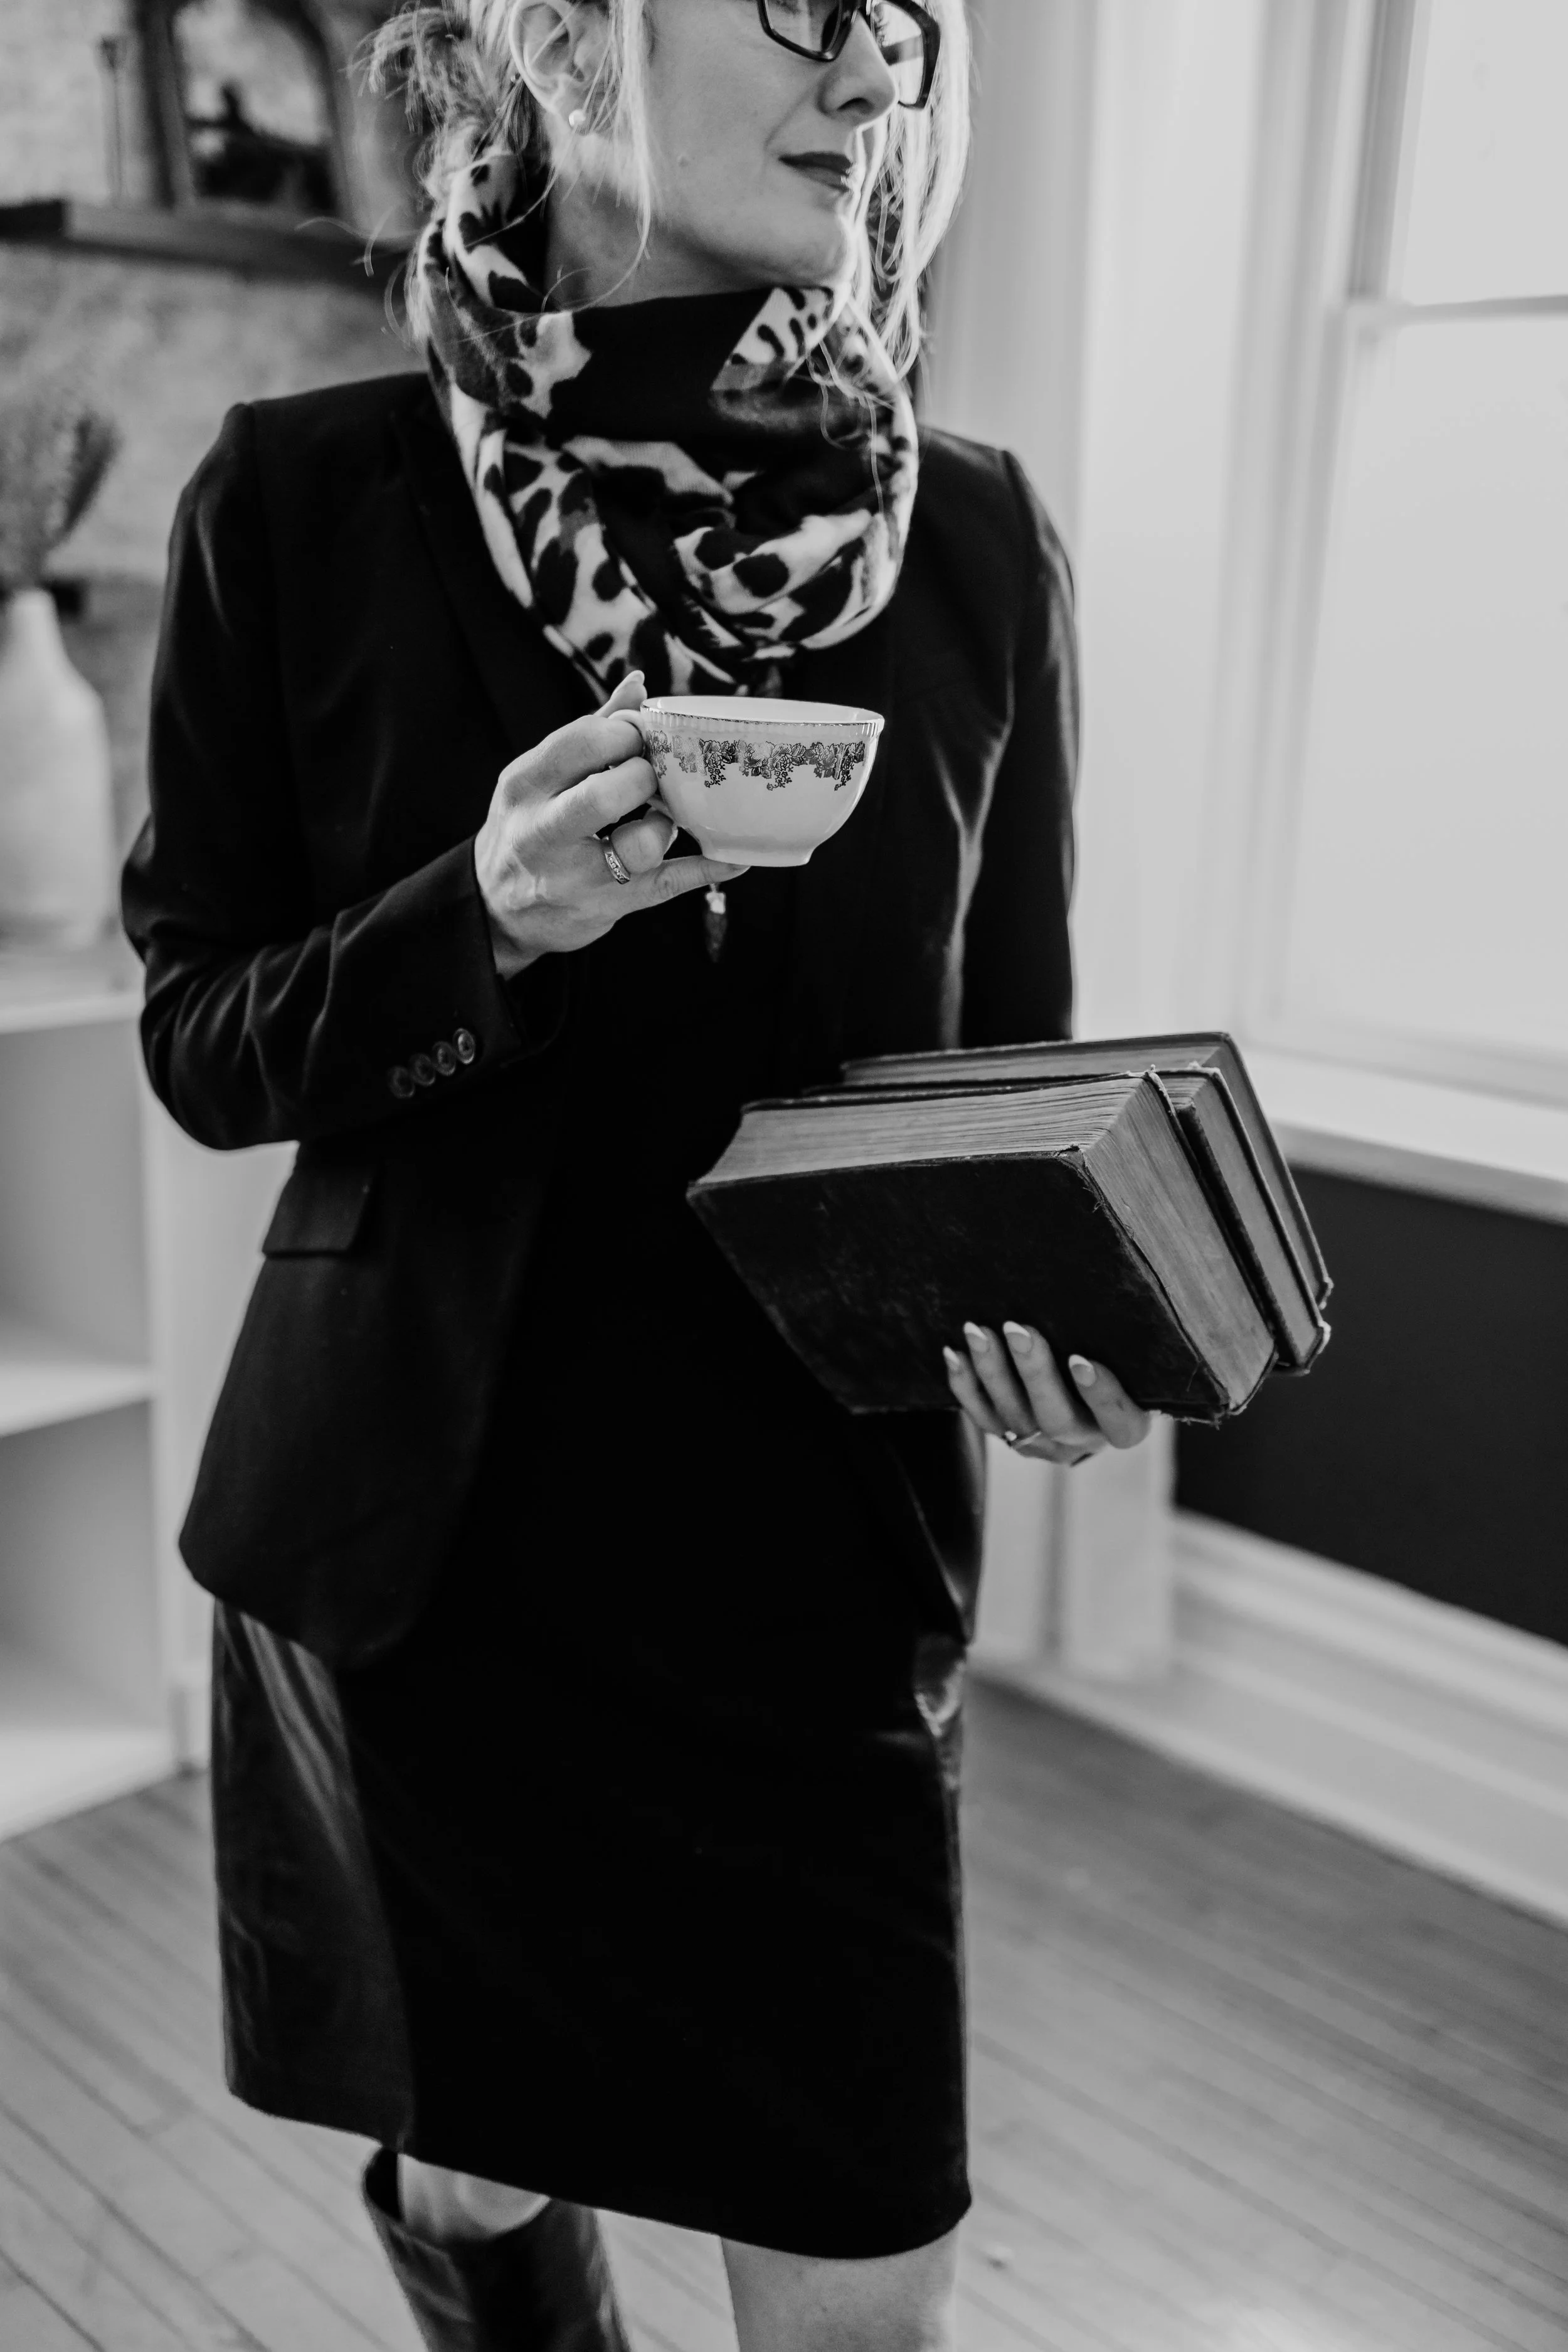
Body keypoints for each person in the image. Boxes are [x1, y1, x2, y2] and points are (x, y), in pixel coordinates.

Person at [124, 3, 1153, 2346]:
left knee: (861, 2275)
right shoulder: (293, 498)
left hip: (808, 1585)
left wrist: (1067, 1320)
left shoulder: (977, 539)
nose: (873, 79)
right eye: (798, 13)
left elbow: (1003, 1083)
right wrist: (469, 915)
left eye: (901, 32)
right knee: (478, 2184)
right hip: (428, 1583)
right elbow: (202, 1038)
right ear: (567, 39)